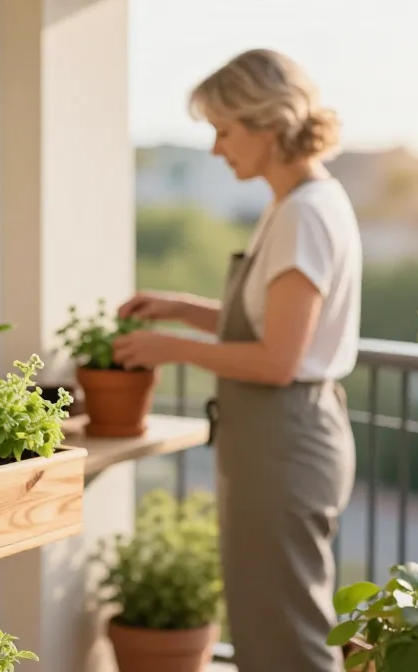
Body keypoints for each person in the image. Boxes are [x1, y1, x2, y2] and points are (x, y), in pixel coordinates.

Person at [115, 48, 361, 671]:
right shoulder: (296, 204)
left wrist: (169, 348)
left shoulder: (304, 213)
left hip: (285, 442)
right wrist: (179, 308)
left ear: (268, 124)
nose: (217, 149)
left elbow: (279, 359)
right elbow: (271, 325)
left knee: (288, 641)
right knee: (264, 625)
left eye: (225, 131)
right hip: (276, 442)